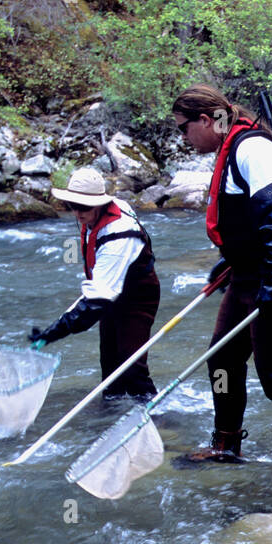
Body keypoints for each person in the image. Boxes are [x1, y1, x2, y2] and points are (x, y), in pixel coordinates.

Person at [170, 84, 272, 489]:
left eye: (184, 129)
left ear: (206, 120)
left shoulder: (252, 150)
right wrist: (230, 258)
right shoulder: (229, 149)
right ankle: (227, 444)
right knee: (222, 360)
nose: (184, 138)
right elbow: (246, 220)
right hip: (245, 274)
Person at [29, 167, 162, 398]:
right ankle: (110, 415)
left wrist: (56, 332)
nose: (78, 214)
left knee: (131, 366)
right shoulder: (97, 216)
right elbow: (97, 290)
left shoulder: (118, 236)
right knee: (110, 364)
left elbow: (94, 303)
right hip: (111, 292)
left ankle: (159, 420)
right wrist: (51, 331)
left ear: (100, 204)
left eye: (84, 207)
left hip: (137, 296)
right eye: (73, 206)